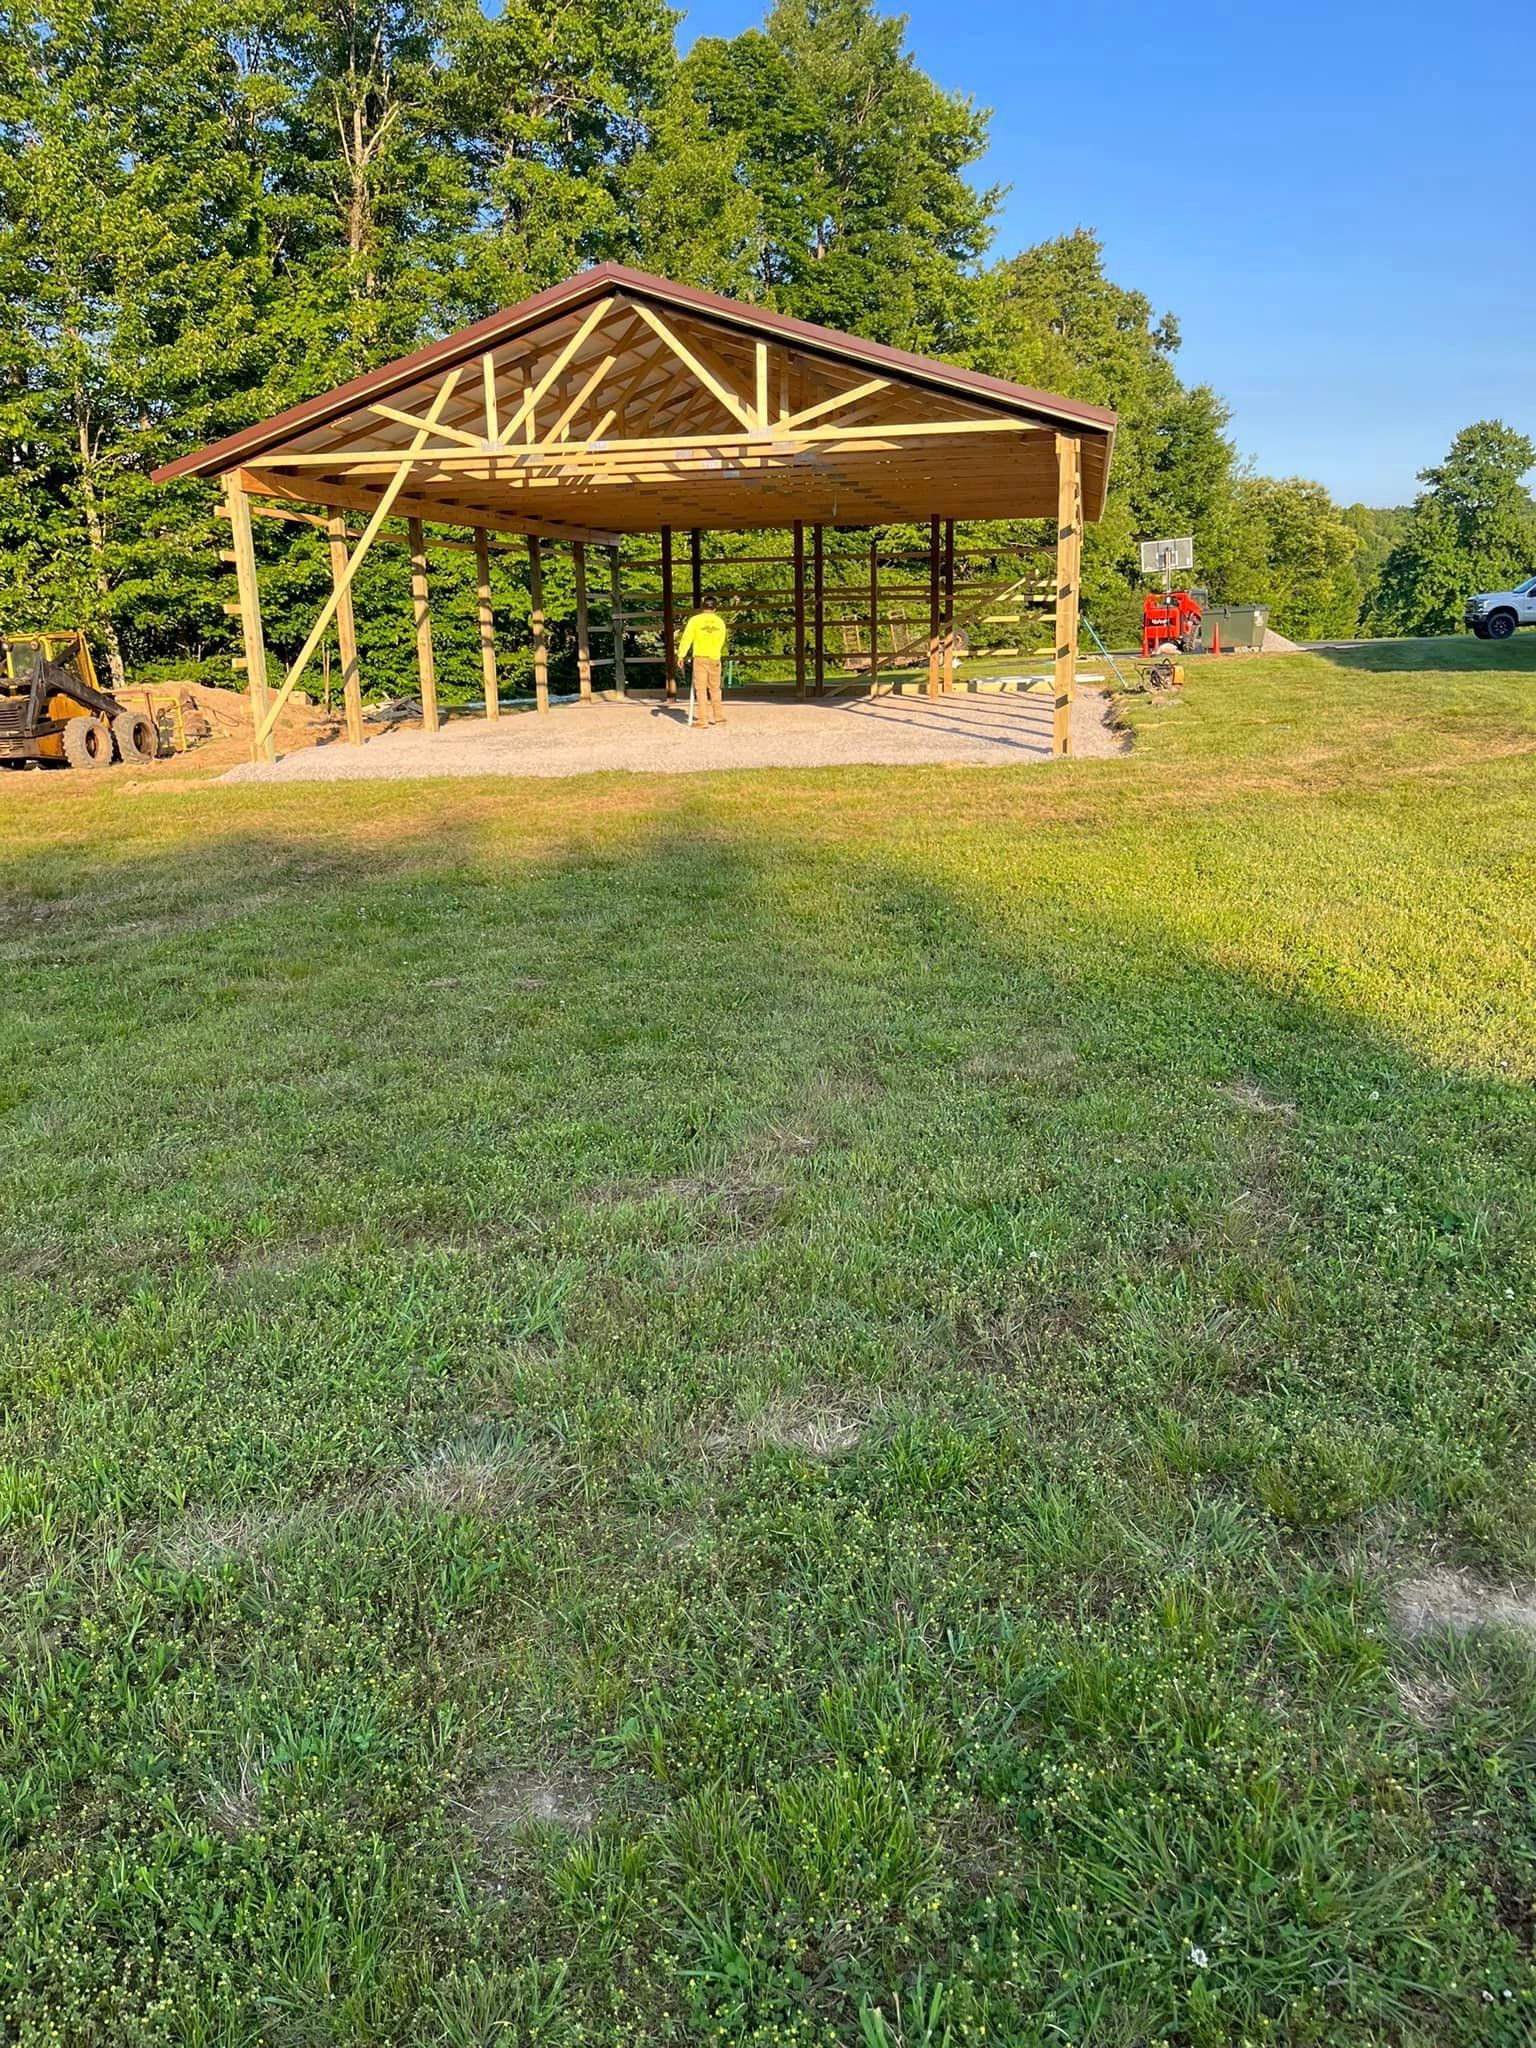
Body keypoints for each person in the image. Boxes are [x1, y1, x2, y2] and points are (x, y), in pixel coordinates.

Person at [676, 605, 728, 728]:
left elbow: (687, 638)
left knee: (701, 690)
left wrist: (681, 655)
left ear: (703, 607)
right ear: (715, 608)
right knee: (715, 689)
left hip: (700, 657)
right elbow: (722, 640)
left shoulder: (695, 620)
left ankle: (702, 720)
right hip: (714, 657)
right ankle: (719, 718)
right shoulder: (720, 622)